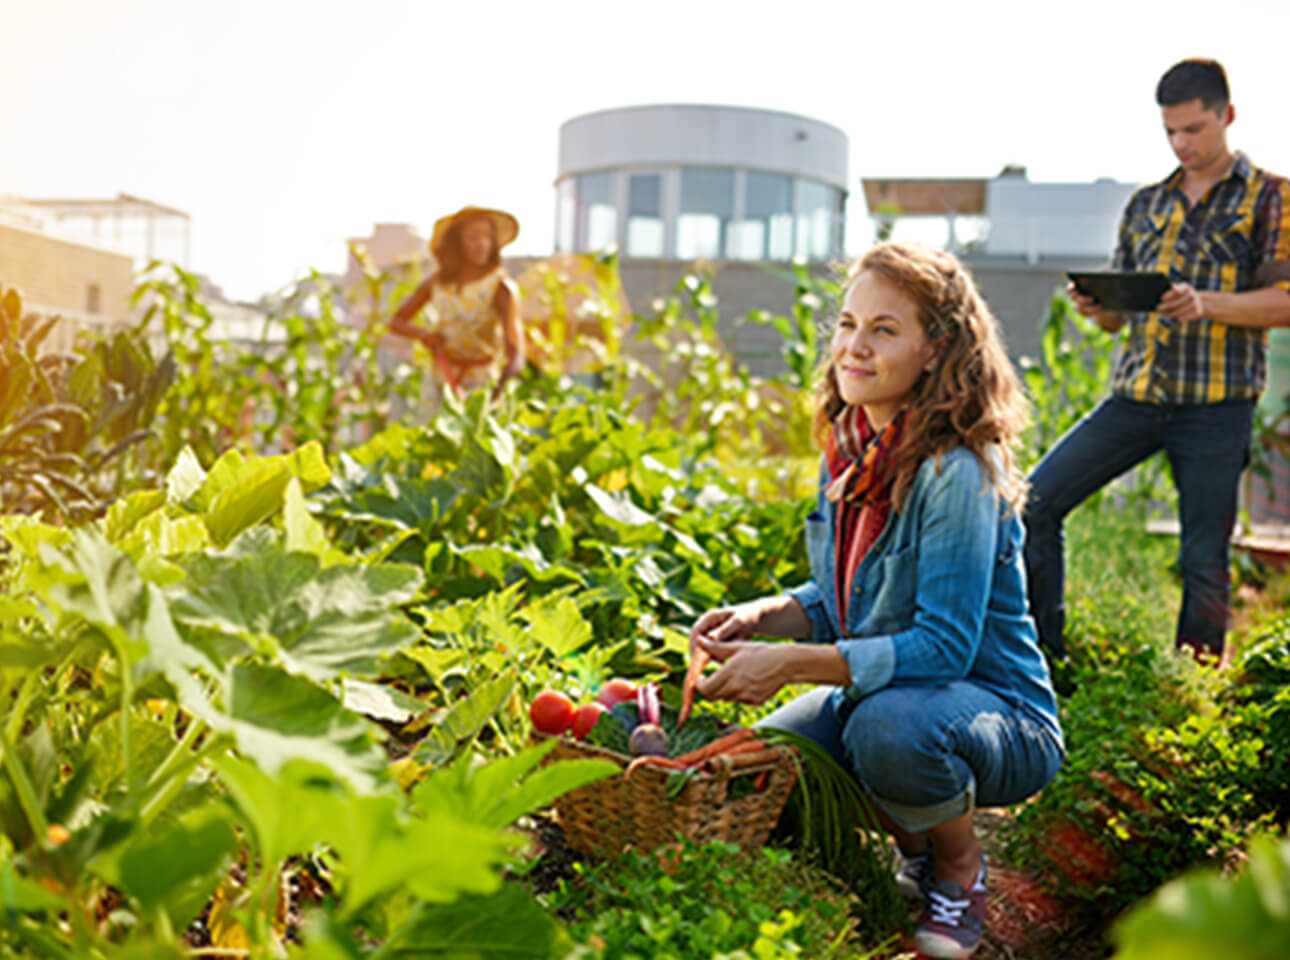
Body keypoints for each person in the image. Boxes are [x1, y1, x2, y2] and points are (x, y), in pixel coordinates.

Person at [687, 242, 1064, 959]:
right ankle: (910, 840)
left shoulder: (956, 471)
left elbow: (943, 648)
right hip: (895, 695)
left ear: (936, 350)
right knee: (776, 761)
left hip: (996, 713)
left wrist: (790, 663)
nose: (855, 347)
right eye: (848, 324)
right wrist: (764, 617)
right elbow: (844, 599)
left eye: (884, 329)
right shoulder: (853, 453)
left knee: (886, 731)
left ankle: (956, 867)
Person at [1024, 58, 1290, 664]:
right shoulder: (1146, 204)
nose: (1181, 143)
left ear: (1227, 115)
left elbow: (1284, 302)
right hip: (1135, 398)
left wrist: (1206, 303)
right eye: (1171, 131)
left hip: (1216, 406)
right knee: (1035, 502)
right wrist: (1100, 308)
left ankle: (1189, 690)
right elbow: (1125, 314)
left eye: (1194, 129)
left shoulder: (1272, 197)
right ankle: (1045, 660)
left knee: (1203, 558)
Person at [387, 205, 525, 400]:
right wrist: (424, 335)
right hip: (440, 378)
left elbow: (516, 354)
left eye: (487, 237)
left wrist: (498, 390)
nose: (482, 243)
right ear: (456, 242)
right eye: (473, 236)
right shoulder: (437, 283)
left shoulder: (500, 287)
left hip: (482, 384)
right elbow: (396, 322)